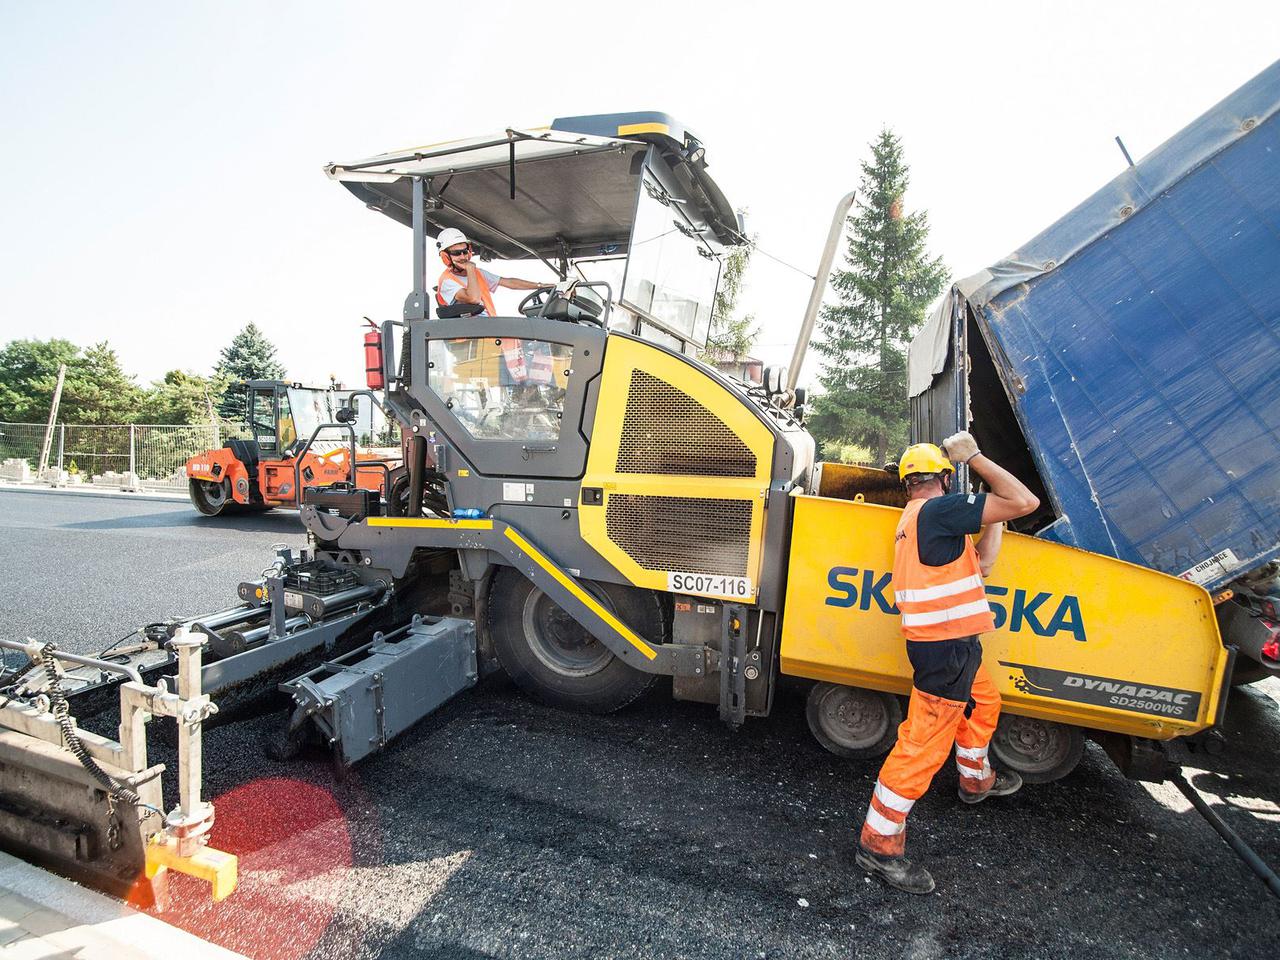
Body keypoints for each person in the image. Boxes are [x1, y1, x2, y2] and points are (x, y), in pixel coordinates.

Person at [856, 430, 1040, 895]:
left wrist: (987, 517)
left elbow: (983, 567)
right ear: (945, 475)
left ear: (906, 482)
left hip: (954, 645)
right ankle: (878, 844)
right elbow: (1023, 501)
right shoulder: (938, 511)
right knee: (923, 745)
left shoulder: (922, 519)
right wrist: (976, 455)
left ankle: (976, 780)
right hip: (945, 649)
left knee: (984, 703)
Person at [434, 228, 543, 316]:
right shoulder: (446, 281)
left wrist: (541, 286)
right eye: (457, 253)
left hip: (488, 331)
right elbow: (473, 298)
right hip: (467, 339)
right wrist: (470, 269)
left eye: (465, 251)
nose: (463, 256)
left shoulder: (478, 273)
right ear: (445, 256)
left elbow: (510, 282)